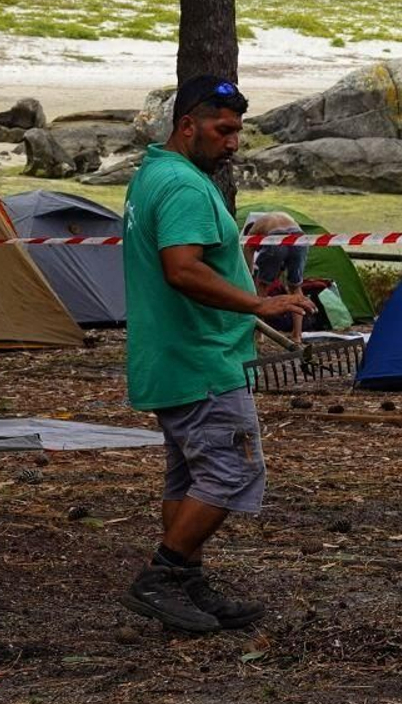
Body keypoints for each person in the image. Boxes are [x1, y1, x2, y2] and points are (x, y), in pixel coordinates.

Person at [119, 75, 315, 633]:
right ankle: (163, 574)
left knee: (187, 477)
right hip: (201, 359)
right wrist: (258, 304)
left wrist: (262, 298)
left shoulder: (153, 173)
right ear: (187, 125)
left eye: (238, 133)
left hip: (171, 356)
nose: (232, 143)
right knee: (231, 472)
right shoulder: (183, 186)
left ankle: (186, 584)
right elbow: (181, 270)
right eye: (222, 130)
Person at [245, 211, 310, 343]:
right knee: (295, 287)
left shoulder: (252, 231)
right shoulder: (278, 217)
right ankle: (297, 335)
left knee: (261, 286)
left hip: (276, 237)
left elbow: (248, 259)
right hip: (299, 237)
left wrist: (251, 276)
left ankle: (259, 334)